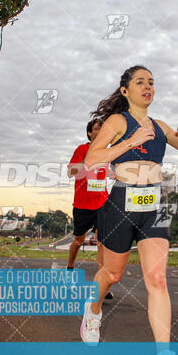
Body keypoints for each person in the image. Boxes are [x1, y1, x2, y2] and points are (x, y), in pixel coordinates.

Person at [80, 65, 178, 346]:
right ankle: (92, 310)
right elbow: (91, 160)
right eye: (141, 82)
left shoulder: (159, 126)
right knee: (112, 274)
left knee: (157, 280)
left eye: (152, 83)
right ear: (125, 90)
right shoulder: (118, 122)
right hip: (121, 203)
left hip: (153, 206)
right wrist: (130, 141)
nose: (148, 87)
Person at [67, 119, 115, 300]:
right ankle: (70, 268)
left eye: (103, 128)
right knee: (78, 241)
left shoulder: (106, 152)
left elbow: (107, 171)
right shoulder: (81, 149)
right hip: (82, 204)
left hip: (102, 203)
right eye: (97, 128)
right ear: (89, 133)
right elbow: (72, 172)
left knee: (102, 243)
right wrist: (88, 161)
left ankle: (101, 286)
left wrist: (116, 173)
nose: (101, 130)